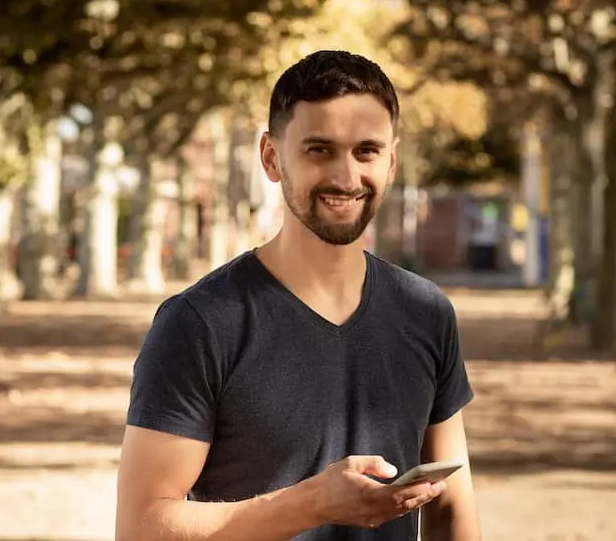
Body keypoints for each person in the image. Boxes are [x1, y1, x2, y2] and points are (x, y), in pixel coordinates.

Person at [115, 50, 480, 540]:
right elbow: (141, 528)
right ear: (271, 157)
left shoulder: (426, 311)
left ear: (391, 162)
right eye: (320, 150)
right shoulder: (200, 323)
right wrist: (311, 504)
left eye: (366, 151)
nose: (346, 178)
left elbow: (451, 505)